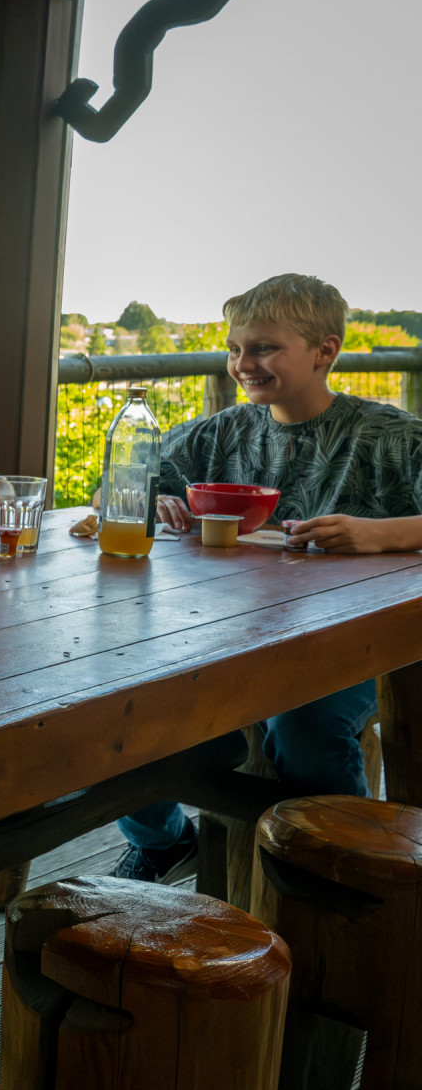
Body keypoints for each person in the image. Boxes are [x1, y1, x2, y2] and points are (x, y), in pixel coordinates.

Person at [113, 272, 422, 883]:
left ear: (325, 351)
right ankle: (162, 841)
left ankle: (338, 874)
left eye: (263, 347)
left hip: (354, 638)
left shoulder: (391, 437)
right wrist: (154, 499)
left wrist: (379, 532)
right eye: (234, 348)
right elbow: (129, 476)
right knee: (116, 701)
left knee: (305, 725)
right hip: (222, 629)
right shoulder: (225, 431)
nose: (242, 363)